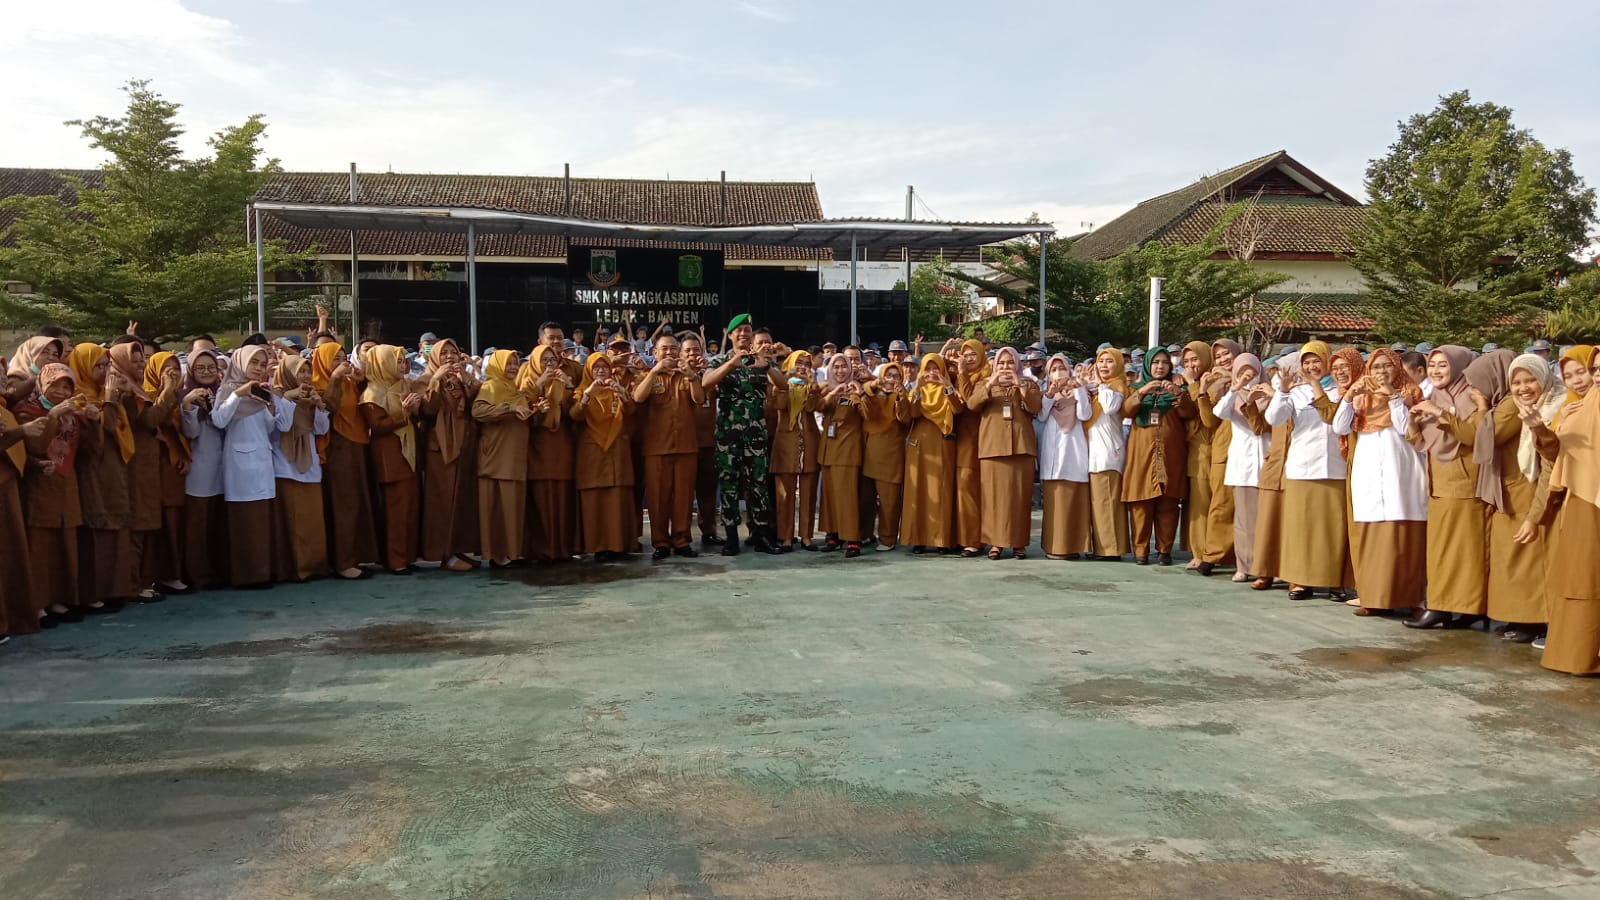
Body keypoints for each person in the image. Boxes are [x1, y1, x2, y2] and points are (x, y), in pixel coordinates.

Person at [1333, 348, 1427, 616]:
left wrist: (1394, 397)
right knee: (1372, 534)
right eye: (1376, 367)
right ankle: (1373, 598)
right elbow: (1339, 427)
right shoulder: (1361, 398)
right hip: (1369, 469)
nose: (1381, 372)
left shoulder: (1410, 393)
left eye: (1387, 366)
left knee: (1404, 533)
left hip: (1402, 469)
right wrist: (1351, 395)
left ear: (1397, 367)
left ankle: (1412, 599)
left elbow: (1403, 427)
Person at [1406, 346, 1489, 629]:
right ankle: (1448, 605)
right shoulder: (1434, 396)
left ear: (1459, 366)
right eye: (1433, 366)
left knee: (1463, 551)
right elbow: (1420, 443)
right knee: (1442, 548)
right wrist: (1414, 423)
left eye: (1443, 365)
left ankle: (1455, 607)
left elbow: (1474, 434)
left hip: (1464, 482)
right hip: (1439, 482)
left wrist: (1440, 412)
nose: (1436, 371)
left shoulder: (1472, 396)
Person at [1265, 341, 1349, 600]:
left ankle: (1334, 581)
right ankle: (1299, 581)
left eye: (1317, 361)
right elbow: (1273, 419)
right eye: (1307, 362)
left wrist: (1316, 387)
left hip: (1335, 468)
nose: (1312, 366)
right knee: (1300, 529)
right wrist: (1283, 392)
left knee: (1333, 530)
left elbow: (1339, 425)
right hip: (1302, 468)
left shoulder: (1342, 390)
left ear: (1328, 362)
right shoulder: (1296, 393)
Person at [1539, 345, 1600, 674]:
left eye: (1586, 371)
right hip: (1582, 499)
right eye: (1596, 370)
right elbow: (1556, 454)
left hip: (1589, 500)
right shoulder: (1574, 411)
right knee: (1580, 577)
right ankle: (1576, 653)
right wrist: (1538, 428)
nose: (1590, 377)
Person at [211, 345, 293, 588]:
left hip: (262, 462)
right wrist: (239, 394)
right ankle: (245, 576)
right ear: (240, 362)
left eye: (262, 363)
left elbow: (267, 428)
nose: (258, 368)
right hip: (239, 466)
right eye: (253, 363)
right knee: (244, 522)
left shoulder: (261, 392)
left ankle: (263, 573)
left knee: (261, 521)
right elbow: (219, 420)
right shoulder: (228, 389)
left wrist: (270, 409)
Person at [12, 363, 86, 632]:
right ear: (42, 384)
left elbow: (92, 448)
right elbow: (36, 447)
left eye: (67, 385)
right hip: (40, 485)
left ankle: (58, 599)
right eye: (55, 384)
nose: (61, 391)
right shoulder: (26, 411)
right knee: (40, 548)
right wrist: (53, 416)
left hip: (66, 485)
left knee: (64, 546)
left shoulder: (72, 414)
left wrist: (93, 418)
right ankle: (38, 603)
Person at [701, 314, 780, 555]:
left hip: (755, 434)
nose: (743, 334)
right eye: (739, 330)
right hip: (728, 435)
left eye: (747, 330)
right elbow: (706, 382)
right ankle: (731, 537)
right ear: (730, 334)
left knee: (758, 485)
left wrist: (766, 365)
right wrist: (731, 364)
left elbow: (783, 383)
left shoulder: (760, 359)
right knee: (729, 486)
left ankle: (761, 535)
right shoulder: (720, 360)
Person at [633, 333, 704, 559]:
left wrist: (692, 376)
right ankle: (661, 542)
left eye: (674, 348)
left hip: (685, 446)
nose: (670, 352)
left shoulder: (688, 376)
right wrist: (654, 371)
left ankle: (682, 540)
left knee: (684, 497)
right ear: (655, 352)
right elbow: (637, 397)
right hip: (657, 447)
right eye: (664, 349)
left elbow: (699, 399)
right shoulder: (648, 375)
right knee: (657, 497)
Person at [312, 342, 378, 580]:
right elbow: (327, 409)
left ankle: (354, 557)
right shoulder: (317, 384)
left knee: (358, 502)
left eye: (343, 357)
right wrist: (335, 380)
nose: (341, 362)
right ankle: (342, 562)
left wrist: (361, 380)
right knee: (344, 505)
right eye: (334, 359)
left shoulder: (351, 382)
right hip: (337, 448)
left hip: (356, 446)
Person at [968, 347, 1042, 560]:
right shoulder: (985, 384)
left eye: (1010, 363)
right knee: (993, 499)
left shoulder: (1029, 384)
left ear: (1018, 364)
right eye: (1001, 363)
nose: (1005, 367)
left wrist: (1020, 387)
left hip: (1021, 448)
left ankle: (1019, 544)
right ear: (994, 365)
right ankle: (996, 543)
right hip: (993, 448)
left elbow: (1036, 407)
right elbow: (972, 405)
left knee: (1020, 497)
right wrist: (991, 384)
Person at [1122, 346, 1192, 565]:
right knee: (1141, 502)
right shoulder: (1135, 388)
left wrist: (1178, 393)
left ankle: (1164, 550)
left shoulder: (1179, 387)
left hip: (1171, 453)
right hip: (1141, 453)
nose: (1160, 367)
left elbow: (1189, 412)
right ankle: (1140, 551)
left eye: (1164, 363)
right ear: (1147, 365)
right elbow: (1126, 411)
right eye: (1155, 362)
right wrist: (1143, 392)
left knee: (1168, 502)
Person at [417, 338, 479, 572]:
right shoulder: (424, 379)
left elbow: (477, 404)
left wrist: (467, 379)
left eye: (453, 353)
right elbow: (428, 409)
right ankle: (443, 553)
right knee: (442, 502)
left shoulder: (461, 379)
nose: (450, 357)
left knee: (461, 500)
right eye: (444, 354)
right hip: (440, 449)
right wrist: (436, 380)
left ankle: (458, 548)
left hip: (464, 445)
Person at [269, 353, 331, 582]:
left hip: (310, 464)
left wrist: (319, 407)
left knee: (312, 519)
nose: (305, 376)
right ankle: (293, 568)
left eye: (307, 371)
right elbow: (283, 426)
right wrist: (287, 398)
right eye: (300, 371)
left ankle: (313, 566)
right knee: (291, 521)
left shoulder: (310, 397)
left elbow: (321, 430)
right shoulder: (274, 395)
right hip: (285, 464)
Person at [472, 350, 536, 567]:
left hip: (514, 456)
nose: (513, 368)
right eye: (508, 364)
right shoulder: (491, 386)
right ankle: (498, 555)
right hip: (497, 457)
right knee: (496, 506)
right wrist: (508, 408)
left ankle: (512, 553)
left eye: (515, 364)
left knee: (512, 506)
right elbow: (478, 411)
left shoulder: (513, 388)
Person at [1211, 354, 1271, 583]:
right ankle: (1244, 566)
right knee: (1244, 520)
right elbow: (1218, 412)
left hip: (1266, 462)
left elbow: (1272, 420)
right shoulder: (1233, 397)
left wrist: (1265, 395)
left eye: (1252, 371)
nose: (1248, 375)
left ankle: (1265, 566)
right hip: (1243, 466)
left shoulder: (1268, 392)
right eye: (1243, 371)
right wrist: (1235, 388)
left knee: (1265, 520)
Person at [572, 352, 637, 561]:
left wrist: (622, 392)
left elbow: (631, 410)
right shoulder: (582, 391)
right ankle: (599, 546)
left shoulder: (616, 390)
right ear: (589, 370)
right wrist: (588, 394)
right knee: (595, 501)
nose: (601, 371)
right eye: (596, 367)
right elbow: (575, 414)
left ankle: (619, 545)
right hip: (593, 453)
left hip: (617, 452)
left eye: (605, 367)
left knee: (617, 500)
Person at [137, 350, 189, 596]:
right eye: (165, 368)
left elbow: (179, 429)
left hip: (172, 465)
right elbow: (151, 421)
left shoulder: (181, 396)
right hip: (150, 466)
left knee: (172, 521)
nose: (172, 373)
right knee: (151, 522)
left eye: (175, 368)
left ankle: (171, 573)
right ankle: (147, 578)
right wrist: (167, 390)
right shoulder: (144, 394)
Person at [521, 344, 579, 563]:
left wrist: (569, 385)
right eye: (544, 360)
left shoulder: (562, 381)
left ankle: (562, 549)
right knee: (541, 499)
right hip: (537, 448)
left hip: (562, 446)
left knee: (562, 499)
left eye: (552, 360)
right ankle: (541, 550)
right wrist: (539, 386)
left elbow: (574, 410)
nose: (549, 365)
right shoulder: (527, 381)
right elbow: (521, 408)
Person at [180, 348, 228, 589]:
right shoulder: (184, 395)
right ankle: (198, 575)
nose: (207, 372)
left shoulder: (224, 393)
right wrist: (190, 406)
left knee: (219, 525)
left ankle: (219, 571)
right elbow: (191, 432)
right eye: (201, 368)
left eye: (211, 367)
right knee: (197, 526)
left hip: (225, 468)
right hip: (199, 470)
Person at [1248, 352, 1296, 591]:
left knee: (1292, 525)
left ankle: (1291, 573)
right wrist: (1252, 403)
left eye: (1286, 371)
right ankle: (1265, 571)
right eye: (1278, 371)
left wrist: (1278, 394)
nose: (1279, 376)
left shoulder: (1305, 397)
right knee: (1268, 522)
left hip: (1296, 470)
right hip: (1273, 465)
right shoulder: (1275, 398)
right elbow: (1259, 427)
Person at [1036, 354, 1091, 560]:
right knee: (1054, 503)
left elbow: (1085, 414)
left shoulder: (1079, 392)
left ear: (1069, 370)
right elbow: (1041, 415)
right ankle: (1054, 546)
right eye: (1054, 369)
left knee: (1074, 501)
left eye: (1062, 368)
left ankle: (1073, 546)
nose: (1058, 373)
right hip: (1053, 452)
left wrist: (1079, 389)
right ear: (1049, 374)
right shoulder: (1048, 393)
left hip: (1074, 450)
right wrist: (1050, 394)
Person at [903, 354, 959, 554]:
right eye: (928, 368)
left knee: (941, 492)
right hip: (920, 445)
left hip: (943, 443)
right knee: (919, 492)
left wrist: (946, 385)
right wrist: (918, 386)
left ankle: (942, 539)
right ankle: (918, 539)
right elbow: (913, 413)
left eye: (937, 368)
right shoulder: (918, 390)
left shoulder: (948, 390)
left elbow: (958, 408)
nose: (932, 373)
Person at [768, 350, 822, 551]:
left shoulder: (813, 385)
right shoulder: (780, 384)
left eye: (806, 363)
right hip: (785, 442)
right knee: (785, 493)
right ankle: (786, 536)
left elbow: (812, 408)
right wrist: (784, 382)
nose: (802, 366)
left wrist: (813, 385)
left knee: (808, 493)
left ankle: (807, 536)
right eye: (798, 362)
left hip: (809, 442)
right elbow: (778, 406)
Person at [1197, 339, 1242, 575]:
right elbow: (1208, 421)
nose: (1225, 359)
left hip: (1252, 448)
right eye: (1220, 356)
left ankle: (1243, 557)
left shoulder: (1254, 374)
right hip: (1224, 448)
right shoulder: (1214, 382)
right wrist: (1203, 392)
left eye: (1228, 354)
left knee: (1247, 506)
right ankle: (1213, 554)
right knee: (1221, 504)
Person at [815, 352, 867, 556]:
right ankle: (833, 534)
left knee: (847, 497)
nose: (840, 370)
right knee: (829, 497)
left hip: (847, 451)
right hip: (828, 450)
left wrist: (860, 394)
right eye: (835, 367)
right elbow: (817, 407)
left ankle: (852, 538)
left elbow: (867, 415)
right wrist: (834, 392)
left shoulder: (856, 390)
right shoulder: (827, 388)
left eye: (843, 366)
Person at [861, 360, 912, 552]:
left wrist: (900, 397)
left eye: (896, 376)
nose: (892, 379)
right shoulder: (875, 393)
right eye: (888, 375)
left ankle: (888, 537)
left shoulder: (902, 395)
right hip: (868, 452)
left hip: (891, 453)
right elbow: (866, 407)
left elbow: (905, 419)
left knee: (889, 500)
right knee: (866, 498)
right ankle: (865, 534)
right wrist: (875, 386)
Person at [1086, 347, 1131, 561]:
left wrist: (1101, 384)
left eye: (1109, 361)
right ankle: (1103, 547)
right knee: (1100, 502)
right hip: (1095, 452)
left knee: (1108, 502)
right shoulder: (1098, 389)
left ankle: (1112, 549)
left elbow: (1111, 407)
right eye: (1101, 361)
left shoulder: (1117, 385)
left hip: (1108, 452)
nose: (1104, 365)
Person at [678, 332, 722, 549]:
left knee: (707, 493)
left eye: (696, 349)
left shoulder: (709, 376)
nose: (692, 354)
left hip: (708, 443)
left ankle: (709, 531)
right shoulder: (675, 376)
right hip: (683, 444)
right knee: (683, 494)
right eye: (688, 350)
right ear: (680, 354)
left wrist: (708, 371)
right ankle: (681, 534)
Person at [1178, 341, 1216, 570]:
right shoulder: (1185, 383)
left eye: (1195, 359)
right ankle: (1198, 550)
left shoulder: (1213, 380)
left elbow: (1206, 415)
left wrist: (1193, 384)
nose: (1191, 365)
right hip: (1193, 449)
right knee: (1196, 505)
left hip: (1208, 448)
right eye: (1186, 362)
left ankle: (1206, 552)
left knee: (1207, 504)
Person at [953, 339, 990, 556]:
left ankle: (974, 539)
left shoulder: (986, 377)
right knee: (960, 489)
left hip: (975, 438)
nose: (968, 359)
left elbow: (970, 400)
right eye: (965, 355)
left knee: (970, 488)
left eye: (973, 355)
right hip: (957, 438)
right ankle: (961, 536)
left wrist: (961, 373)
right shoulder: (962, 374)